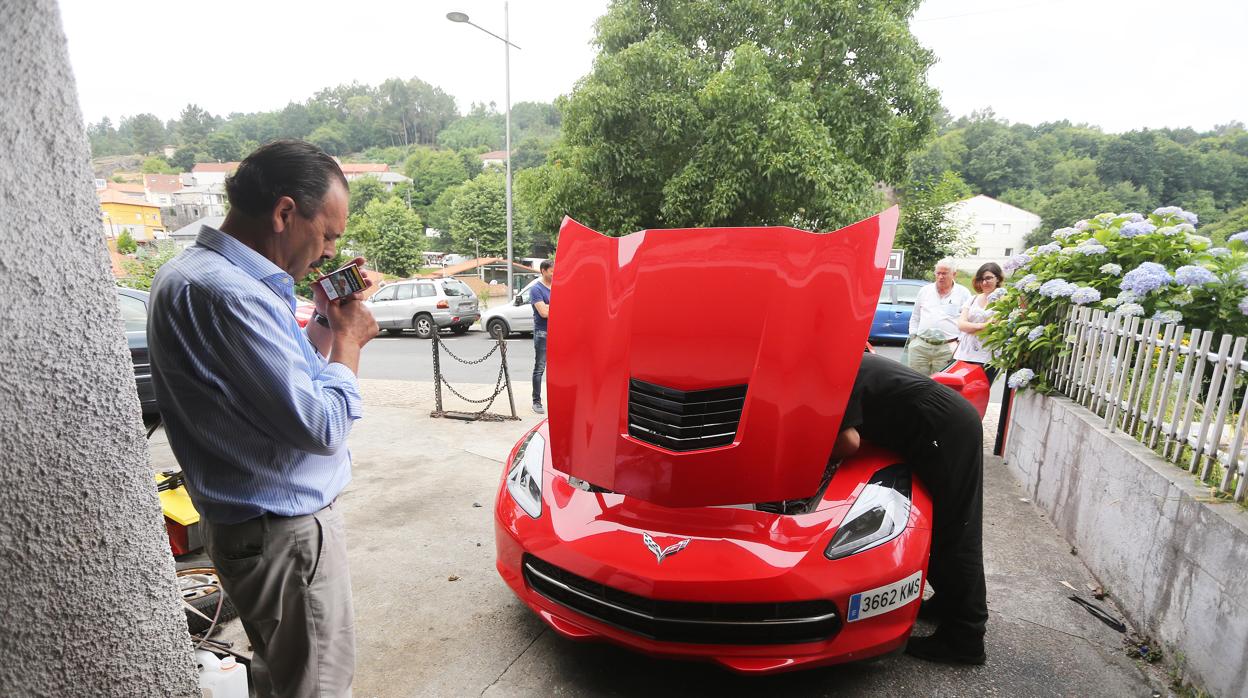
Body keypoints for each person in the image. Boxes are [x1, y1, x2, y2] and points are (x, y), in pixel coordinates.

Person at [148, 140, 377, 697]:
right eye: (327, 234)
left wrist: (324, 320)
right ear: (283, 213)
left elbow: (282, 385)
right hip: (284, 535)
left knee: (284, 676)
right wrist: (349, 339)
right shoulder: (230, 295)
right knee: (316, 687)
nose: (327, 253)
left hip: (257, 530)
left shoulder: (201, 275)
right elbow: (321, 426)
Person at [834, 352, 988, 665]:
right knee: (943, 526)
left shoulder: (832, 370)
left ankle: (965, 638)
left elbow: (847, 442)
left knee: (956, 531)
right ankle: (947, 604)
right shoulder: (839, 357)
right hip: (943, 422)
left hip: (943, 427)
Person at [907, 258, 972, 375]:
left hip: (947, 348)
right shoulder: (925, 291)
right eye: (938, 273)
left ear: (954, 274)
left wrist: (958, 344)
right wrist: (913, 338)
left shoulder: (963, 293)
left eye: (944, 273)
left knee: (941, 386)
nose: (941, 277)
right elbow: (915, 316)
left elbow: (967, 320)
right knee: (916, 382)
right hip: (921, 345)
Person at [954, 263, 1005, 384]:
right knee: (962, 393)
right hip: (964, 355)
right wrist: (981, 325)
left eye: (988, 278)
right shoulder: (972, 299)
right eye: (981, 279)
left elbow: (994, 326)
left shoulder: (1004, 300)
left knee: (980, 393)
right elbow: (961, 325)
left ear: (997, 278)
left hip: (987, 357)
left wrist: (970, 327)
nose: (984, 282)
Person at [530, 260, 554, 413]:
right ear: (543, 271)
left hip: (558, 332)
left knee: (558, 369)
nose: (554, 274)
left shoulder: (557, 287)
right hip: (542, 333)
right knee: (540, 368)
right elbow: (543, 313)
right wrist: (554, 307)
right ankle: (536, 401)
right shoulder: (536, 289)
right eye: (552, 271)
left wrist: (549, 306)